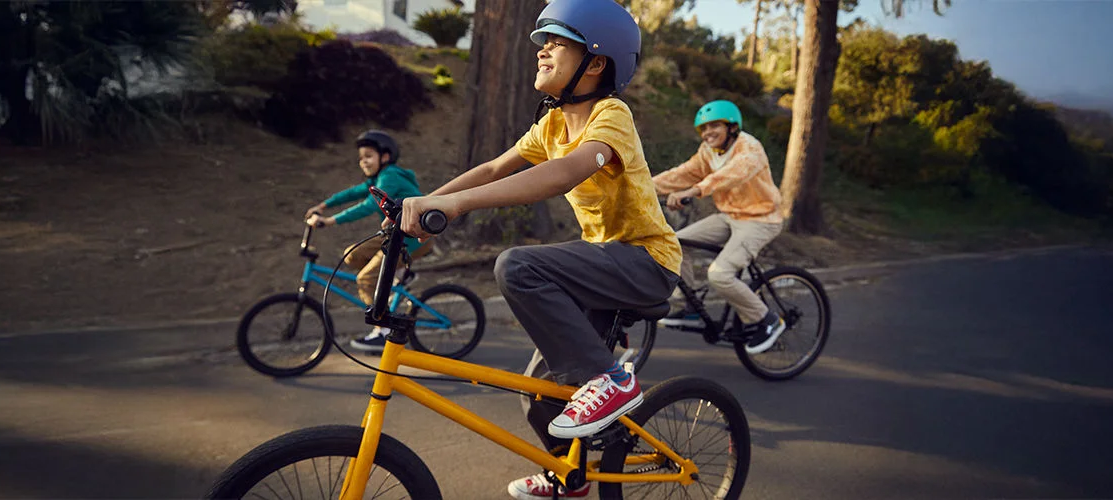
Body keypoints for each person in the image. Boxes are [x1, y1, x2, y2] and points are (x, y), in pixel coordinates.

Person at [394, 1, 680, 497]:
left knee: (518, 265)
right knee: (541, 394)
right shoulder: (550, 125)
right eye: (542, 41)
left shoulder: (611, 115)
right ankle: (569, 477)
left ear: (595, 62)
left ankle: (612, 381)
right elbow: (490, 170)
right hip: (601, 266)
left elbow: (565, 173)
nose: (542, 49)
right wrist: (421, 206)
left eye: (557, 41)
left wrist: (459, 206)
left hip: (646, 262)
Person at [651, 99, 787, 354]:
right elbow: (683, 173)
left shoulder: (750, 148)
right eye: (703, 128)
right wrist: (643, 186)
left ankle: (767, 320)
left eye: (714, 126)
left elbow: (729, 175)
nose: (707, 133)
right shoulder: (708, 151)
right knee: (674, 243)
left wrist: (693, 191)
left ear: (732, 127)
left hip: (760, 220)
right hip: (729, 216)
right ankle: (687, 307)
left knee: (720, 274)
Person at [304, 130, 428, 352]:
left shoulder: (390, 176)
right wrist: (322, 206)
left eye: (369, 156)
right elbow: (352, 194)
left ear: (385, 157)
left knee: (365, 280)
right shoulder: (377, 179)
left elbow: (369, 206)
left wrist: (329, 221)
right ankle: (399, 276)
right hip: (395, 235)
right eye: (361, 157)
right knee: (352, 254)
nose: (363, 161)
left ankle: (381, 330)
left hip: (412, 239)